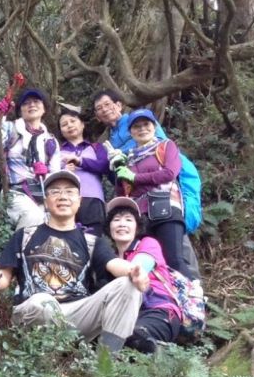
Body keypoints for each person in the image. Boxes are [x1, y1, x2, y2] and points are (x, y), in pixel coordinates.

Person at [0, 170, 148, 353]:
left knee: (128, 285)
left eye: (69, 192)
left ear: (79, 201)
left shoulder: (92, 242)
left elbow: (114, 264)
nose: (62, 197)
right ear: (46, 201)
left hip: (76, 314)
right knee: (42, 302)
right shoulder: (25, 236)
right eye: (55, 192)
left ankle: (105, 365)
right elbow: (4, 277)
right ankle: (44, 354)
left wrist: (133, 272)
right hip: (35, 309)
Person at [112, 109, 193, 279]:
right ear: (130, 132)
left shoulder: (165, 146)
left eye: (146, 124)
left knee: (174, 259)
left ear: (154, 126)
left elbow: (169, 173)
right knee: (148, 261)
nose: (142, 129)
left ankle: (192, 299)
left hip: (166, 208)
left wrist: (135, 177)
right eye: (136, 126)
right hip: (141, 214)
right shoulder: (128, 157)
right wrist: (119, 173)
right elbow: (123, 192)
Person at [104, 197, 182, 353]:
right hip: (127, 315)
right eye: (116, 220)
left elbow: (137, 270)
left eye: (128, 220)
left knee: (134, 337)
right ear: (109, 227)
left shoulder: (148, 244)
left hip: (159, 310)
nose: (122, 224)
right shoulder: (109, 257)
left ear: (137, 226)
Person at [0, 88, 58, 229]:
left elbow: (55, 175)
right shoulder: (10, 128)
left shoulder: (50, 141)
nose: (31, 105)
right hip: (15, 191)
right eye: (26, 103)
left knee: (52, 224)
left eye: (36, 101)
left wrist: (46, 174)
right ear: (20, 110)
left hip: (41, 194)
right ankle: (19, 250)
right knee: (34, 217)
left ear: (44, 108)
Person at [49, 103, 110, 235]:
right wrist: (64, 170)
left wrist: (80, 161)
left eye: (73, 121)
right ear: (61, 131)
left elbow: (104, 166)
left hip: (92, 200)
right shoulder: (57, 151)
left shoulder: (96, 147)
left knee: (92, 241)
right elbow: (50, 174)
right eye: (64, 124)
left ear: (82, 124)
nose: (69, 125)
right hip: (65, 201)